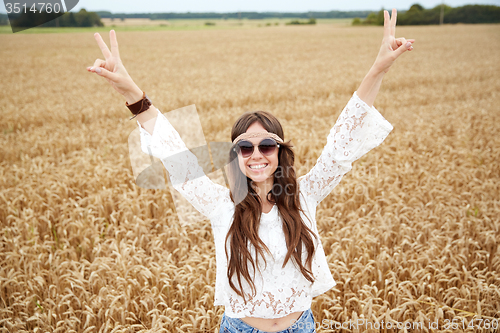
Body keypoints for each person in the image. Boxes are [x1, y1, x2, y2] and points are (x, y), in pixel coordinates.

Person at [87, 9, 413, 333]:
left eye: (266, 145)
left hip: (300, 327)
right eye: (245, 147)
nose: (256, 154)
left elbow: (342, 145)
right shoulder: (220, 204)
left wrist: (379, 68)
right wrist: (132, 93)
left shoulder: (304, 195)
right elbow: (177, 157)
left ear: (280, 151)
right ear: (236, 156)